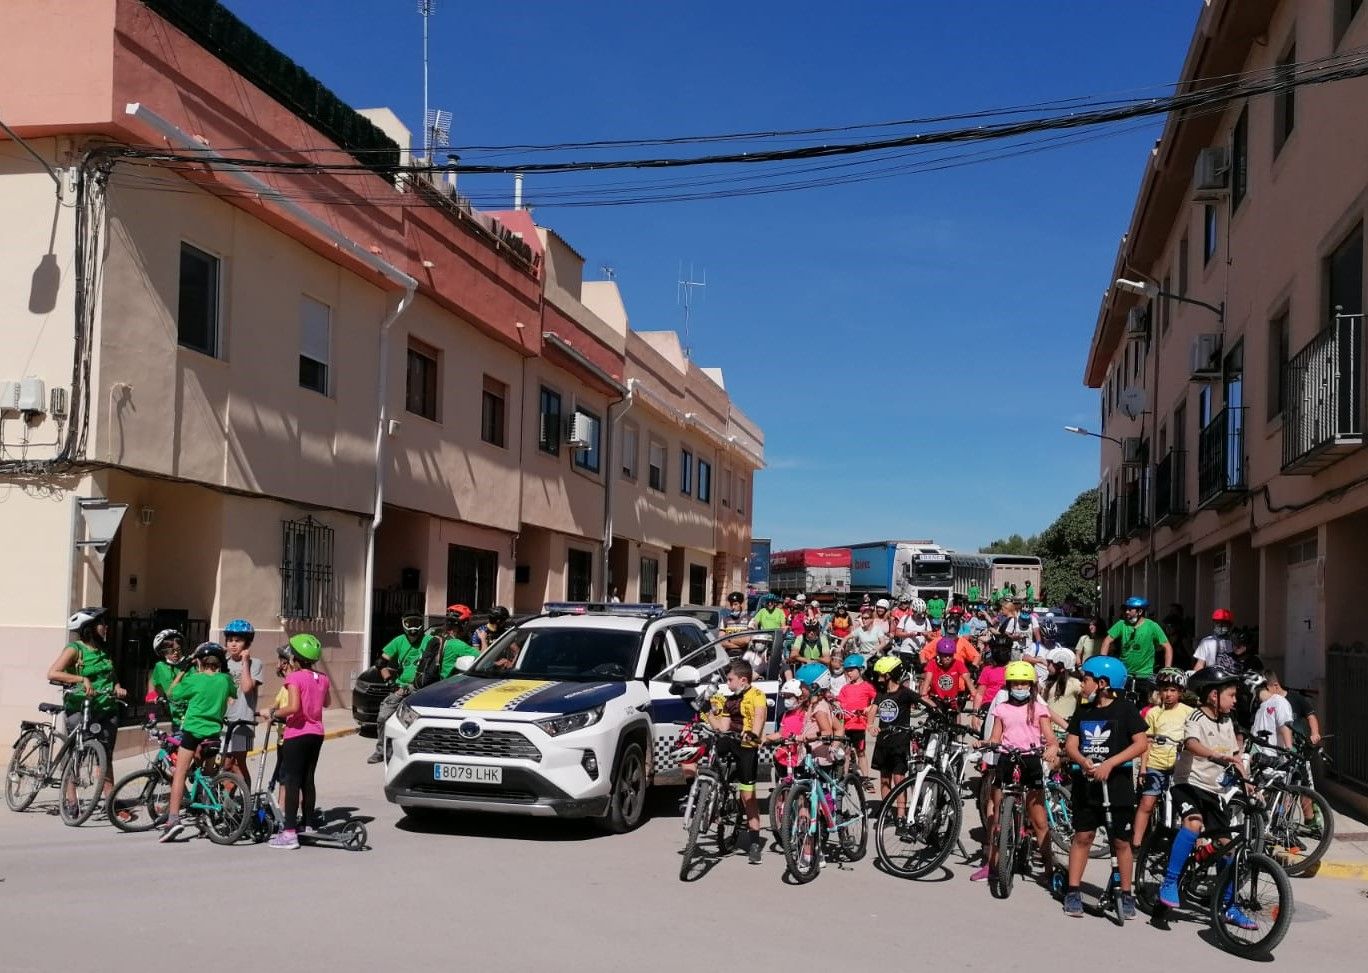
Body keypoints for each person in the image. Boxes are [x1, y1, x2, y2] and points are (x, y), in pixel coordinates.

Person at [1157, 667, 1256, 930]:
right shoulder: (1196, 717)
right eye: (1231, 695)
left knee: (1229, 847)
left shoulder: (1227, 722)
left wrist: (1247, 784)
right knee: (1193, 823)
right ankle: (1169, 881)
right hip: (1187, 784)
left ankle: (1228, 906)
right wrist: (1214, 755)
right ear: (1214, 695)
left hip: (1212, 792)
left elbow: (1235, 757)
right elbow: (1190, 743)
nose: (1235, 700)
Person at [1062, 655, 1149, 919]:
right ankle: (1073, 890)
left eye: (1086, 680)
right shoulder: (1084, 710)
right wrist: (1082, 761)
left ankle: (1125, 892)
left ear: (1101, 683)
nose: (1082, 685)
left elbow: (1141, 743)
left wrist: (1110, 764)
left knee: (1121, 841)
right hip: (1086, 784)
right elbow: (1071, 745)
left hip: (1117, 785)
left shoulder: (1125, 709)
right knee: (1083, 836)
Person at [974, 660, 1058, 883]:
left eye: (1024, 684)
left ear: (1031, 685)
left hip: (1030, 759)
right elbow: (995, 737)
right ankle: (994, 863)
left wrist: (1052, 748)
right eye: (1015, 684)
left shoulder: (1038, 708)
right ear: (1008, 685)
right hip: (1006, 758)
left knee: (1039, 818)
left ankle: (1050, 869)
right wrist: (984, 743)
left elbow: (1050, 738)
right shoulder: (1001, 709)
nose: (1020, 688)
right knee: (998, 812)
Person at [47, 607, 127, 812]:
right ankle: (71, 799)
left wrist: (118, 688)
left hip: (107, 708)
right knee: (77, 753)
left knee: (106, 755)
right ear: (89, 628)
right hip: (81, 708)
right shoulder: (75, 648)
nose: (106, 627)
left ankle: (110, 802)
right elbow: (53, 673)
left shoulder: (103, 650)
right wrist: (82, 678)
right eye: (102, 623)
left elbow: (112, 677)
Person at [160, 642, 237, 842]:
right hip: (213, 733)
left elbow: (171, 693)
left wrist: (184, 669)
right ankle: (207, 818)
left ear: (200, 662)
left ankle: (173, 820)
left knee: (180, 773)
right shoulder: (225, 680)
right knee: (209, 776)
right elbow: (233, 694)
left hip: (193, 732)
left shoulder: (194, 678)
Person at [268, 633, 332, 849]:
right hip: (317, 733)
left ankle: (289, 833)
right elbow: (328, 703)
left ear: (294, 657)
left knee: (292, 781)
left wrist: (273, 713)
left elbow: (294, 707)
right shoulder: (322, 678)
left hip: (297, 733)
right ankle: (307, 824)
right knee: (308, 779)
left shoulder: (294, 678)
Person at [707, 660, 768, 863]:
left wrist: (753, 733)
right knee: (710, 746)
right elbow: (722, 728)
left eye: (730, 679)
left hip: (747, 746)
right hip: (731, 740)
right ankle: (710, 793)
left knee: (747, 796)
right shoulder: (729, 699)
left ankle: (753, 843)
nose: (727, 683)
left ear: (743, 680)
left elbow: (759, 717)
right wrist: (707, 713)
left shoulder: (756, 695)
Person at [1132, 667, 1192, 850]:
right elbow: (1146, 742)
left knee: (1185, 806)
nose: (1168, 694)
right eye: (1164, 690)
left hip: (1179, 765)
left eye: (1172, 690)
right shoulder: (1153, 713)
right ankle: (1136, 843)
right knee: (1147, 803)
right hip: (1155, 764)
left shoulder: (1189, 712)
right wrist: (1143, 768)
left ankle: (1186, 842)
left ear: (1180, 692)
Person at [368, 614, 440, 763]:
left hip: (420, 688)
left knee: (414, 722)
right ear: (403, 624)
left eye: (417, 623)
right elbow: (381, 662)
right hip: (400, 688)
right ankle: (381, 751)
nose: (413, 627)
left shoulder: (429, 641)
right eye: (409, 623)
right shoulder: (399, 641)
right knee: (383, 717)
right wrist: (391, 683)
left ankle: (416, 752)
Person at [869, 656, 919, 828]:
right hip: (883, 742)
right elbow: (873, 709)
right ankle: (886, 810)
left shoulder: (904, 692)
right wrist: (870, 724)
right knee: (884, 779)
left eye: (881, 674)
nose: (878, 677)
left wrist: (935, 708)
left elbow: (921, 700)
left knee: (899, 778)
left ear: (889, 674)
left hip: (900, 742)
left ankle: (901, 814)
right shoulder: (881, 693)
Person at [1099, 596, 1172, 702]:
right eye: (1126, 609)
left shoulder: (1152, 626)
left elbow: (1167, 647)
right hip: (1125, 673)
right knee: (1120, 703)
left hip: (1145, 675)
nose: (1127, 612)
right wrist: (1102, 662)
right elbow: (1106, 641)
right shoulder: (1121, 624)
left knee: (1145, 705)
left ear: (1140, 611)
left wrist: (1167, 669)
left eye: (1130, 609)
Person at [222, 619, 262, 787]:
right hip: (224, 722)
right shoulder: (224, 663)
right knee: (225, 765)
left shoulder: (255, 664)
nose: (233, 644)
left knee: (238, 763)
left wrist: (245, 662)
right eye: (230, 640)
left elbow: (246, 688)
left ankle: (246, 799)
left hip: (243, 724)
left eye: (237, 640)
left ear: (247, 643)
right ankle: (227, 802)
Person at [837, 654, 878, 784]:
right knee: (846, 753)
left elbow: (877, 701)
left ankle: (865, 778)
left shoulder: (867, 686)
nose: (849, 673)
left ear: (861, 670)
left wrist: (869, 707)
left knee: (861, 752)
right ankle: (843, 777)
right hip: (846, 725)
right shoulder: (845, 688)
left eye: (852, 670)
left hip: (859, 725)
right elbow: (840, 703)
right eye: (847, 670)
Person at [1263, 670, 1320, 744]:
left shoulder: (1296, 698)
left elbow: (1311, 716)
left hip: (1296, 746)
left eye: (1267, 691)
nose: (1265, 695)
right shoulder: (1266, 703)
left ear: (1276, 686)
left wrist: (1315, 733)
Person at [1245, 671, 1295, 755]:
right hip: (1260, 759)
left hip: (1273, 760)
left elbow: (1285, 725)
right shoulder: (1261, 708)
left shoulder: (1279, 701)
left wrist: (1289, 750)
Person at [147, 629, 188, 729]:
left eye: (178, 649)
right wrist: (152, 717)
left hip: (192, 717)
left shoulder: (189, 664)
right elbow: (152, 693)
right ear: (163, 652)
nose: (175, 653)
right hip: (176, 719)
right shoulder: (160, 667)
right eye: (171, 651)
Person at [920, 637, 975, 709]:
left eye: (950, 655)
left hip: (953, 699)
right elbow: (928, 679)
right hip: (936, 698)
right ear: (939, 654)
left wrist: (973, 693)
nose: (948, 657)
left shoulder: (958, 663)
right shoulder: (932, 664)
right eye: (945, 655)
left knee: (956, 714)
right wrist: (924, 694)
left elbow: (967, 678)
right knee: (935, 714)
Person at [1043, 648, 1083, 727]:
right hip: (1049, 727)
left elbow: (1087, 693)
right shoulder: (1049, 682)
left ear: (1060, 665)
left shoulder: (1074, 683)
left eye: (1049, 663)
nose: (1047, 666)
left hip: (1065, 728)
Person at [1191, 609, 1236, 673]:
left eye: (1223, 624)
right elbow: (1200, 664)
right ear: (1213, 623)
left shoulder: (1234, 641)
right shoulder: (1206, 642)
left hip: (1232, 677)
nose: (1220, 626)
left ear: (1230, 625)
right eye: (1217, 623)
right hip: (1213, 677)